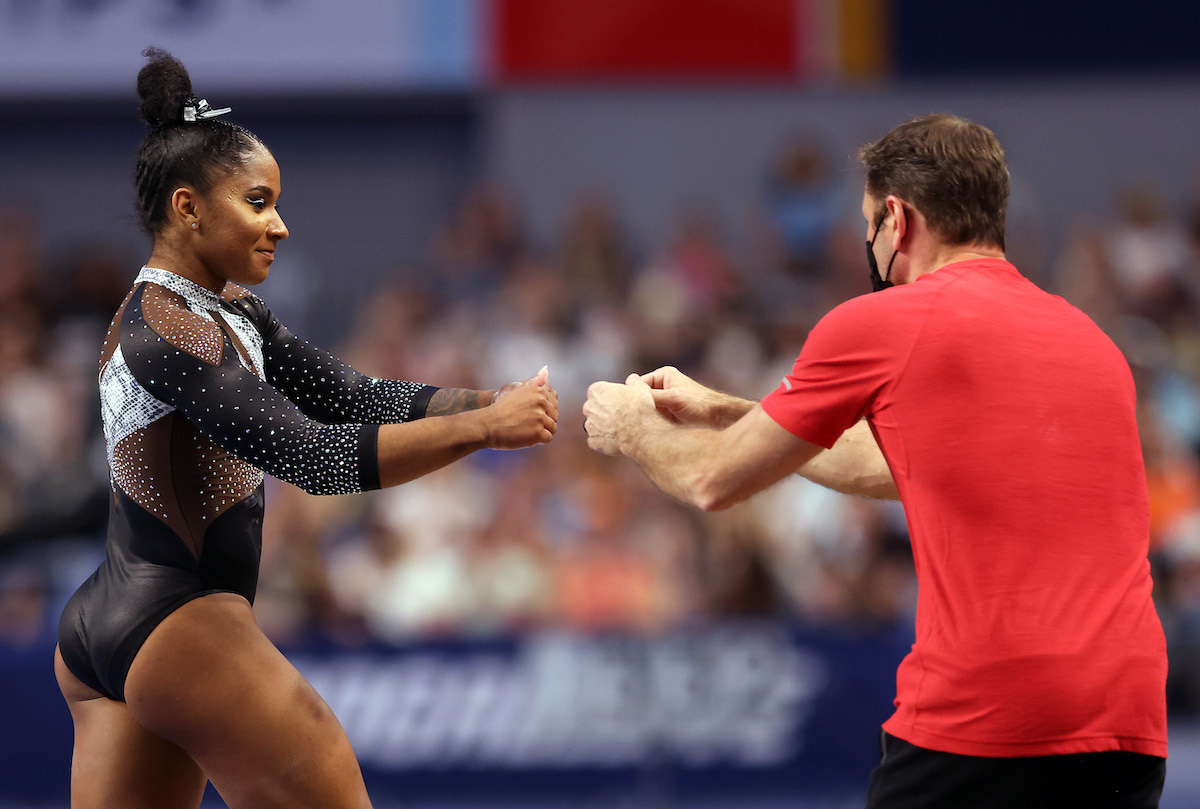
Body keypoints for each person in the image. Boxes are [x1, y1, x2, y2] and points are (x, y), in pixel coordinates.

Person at [583, 114, 1168, 808]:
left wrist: (627, 427)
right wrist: (731, 409)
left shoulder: (882, 321)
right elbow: (902, 464)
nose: (869, 242)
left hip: (986, 720)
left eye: (869, 224)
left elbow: (712, 480)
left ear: (898, 216)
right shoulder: (1091, 341)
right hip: (1128, 724)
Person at [54, 48, 558, 809]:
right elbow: (316, 458)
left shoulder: (227, 313)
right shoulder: (168, 328)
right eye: (258, 202)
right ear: (188, 208)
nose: (280, 226)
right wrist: (484, 429)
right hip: (174, 617)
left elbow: (353, 394)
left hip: (122, 621)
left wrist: (487, 398)